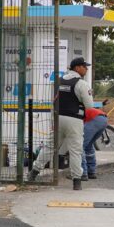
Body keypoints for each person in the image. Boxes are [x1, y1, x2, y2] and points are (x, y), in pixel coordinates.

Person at [29, 57, 94, 190]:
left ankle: (33, 173)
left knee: (49, 147)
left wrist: (54, 119)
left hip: (58, 118)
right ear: (77, 68)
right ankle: (77, 182)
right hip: (74, 120)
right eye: (84, 66)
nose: (86, 69)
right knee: (75, 150)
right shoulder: (82, 84)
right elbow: (89, 106)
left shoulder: (59, 81)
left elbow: (54, 102)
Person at [81, 105, 108, 181]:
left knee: (80, 146)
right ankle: (91, 172)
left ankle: (83, 173)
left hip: (94, 118)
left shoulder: (72, 113)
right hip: (103, 119)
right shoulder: (80, 108)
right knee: (89, 145)